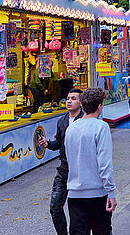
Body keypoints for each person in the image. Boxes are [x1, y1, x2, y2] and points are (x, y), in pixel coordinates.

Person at [65, 88, 116, 235]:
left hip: (75, 192)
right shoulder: (101, 126)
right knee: (102, 231)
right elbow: (105, 164)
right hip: (97, 193)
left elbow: (70, 159)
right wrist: (110, 192)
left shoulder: (71, 128)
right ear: (100, 105)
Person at [39, 88, 84, 235]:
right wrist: (47, 144)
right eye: (68, 98)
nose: (69, 101)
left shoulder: (85, 120)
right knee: (55, 208)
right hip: (64, 169)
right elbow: (59, 142)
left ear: (81, 102)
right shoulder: (62, 120)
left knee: (77, 210)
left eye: (73, 98)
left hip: (80, 170)